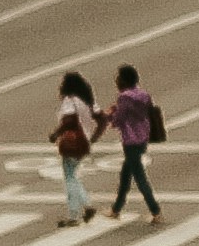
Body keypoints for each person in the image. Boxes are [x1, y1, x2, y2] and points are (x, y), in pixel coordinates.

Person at [106, 63, 165, 220]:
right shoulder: (143, 95)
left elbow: (119, 119)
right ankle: (116, 209)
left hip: (130, 140)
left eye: (118, 78)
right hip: (143, 137)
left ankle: (155, 210)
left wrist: (110, 115)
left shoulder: (124, 97)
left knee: (139, 176)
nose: (116, 81)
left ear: (123, 81)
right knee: (125, 175)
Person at [51, 72, 99, 222]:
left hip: (73, 143)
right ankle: (86, 205)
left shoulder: (70, 101)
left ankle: (74, 214)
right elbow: (100, 118)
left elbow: (69, 121)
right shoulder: (86, 101)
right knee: (73, 176)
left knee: (70, 178)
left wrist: (55, 133)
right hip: (84, 142)